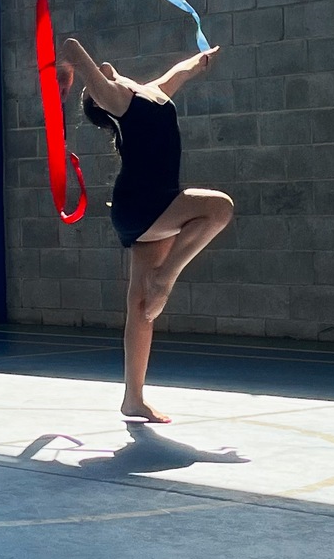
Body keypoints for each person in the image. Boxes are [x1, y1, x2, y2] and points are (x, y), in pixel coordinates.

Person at [61, 37, 234, 423]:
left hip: (153, 206)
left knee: (141, 307)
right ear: (99, 98)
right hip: (144, 205)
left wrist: (201, 61)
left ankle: (133, 399)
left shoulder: (150, 92)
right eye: (94, 86)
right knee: (219, 208)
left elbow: (180, 72)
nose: (102, 70)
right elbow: (72, 47)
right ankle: (166, 277)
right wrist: (66, 73)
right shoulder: (117, 100)